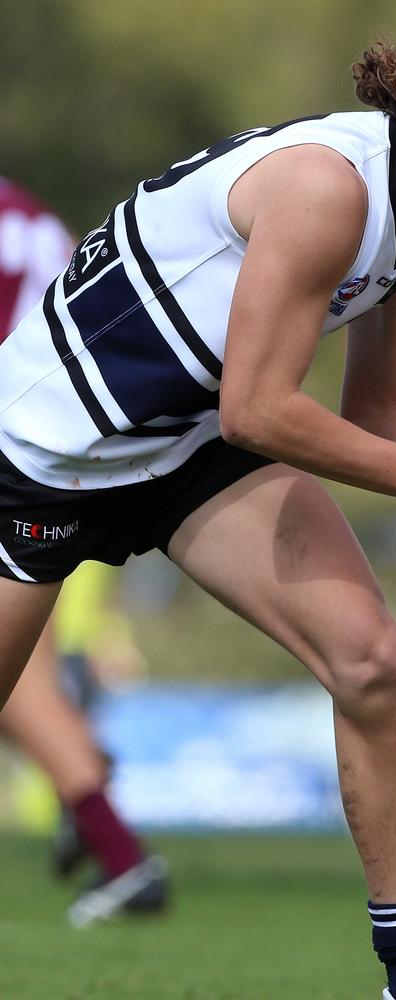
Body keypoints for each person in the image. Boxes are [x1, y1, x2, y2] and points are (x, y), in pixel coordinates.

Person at [0, 0, 396, 995]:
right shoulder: (328, 187)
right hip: (46, 448)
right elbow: (260, 409)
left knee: (371, 657)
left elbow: (382, 403)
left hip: (180, 443)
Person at [0, 176, 168, 926]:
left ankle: (110, 836)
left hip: (21, 442)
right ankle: (105, 829)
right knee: (22, 668)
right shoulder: (32, 210)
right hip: (75, 440)